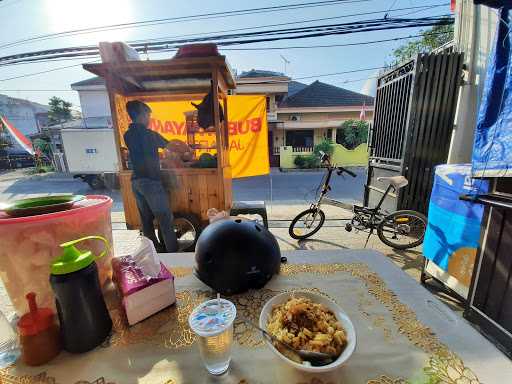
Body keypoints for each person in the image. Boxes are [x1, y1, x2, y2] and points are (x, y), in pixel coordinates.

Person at [124, 100, 178, 252]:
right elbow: (172, 146)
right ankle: (173, 256)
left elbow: (143, 153)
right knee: (165, 221)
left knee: (146, 222)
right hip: (150, 182)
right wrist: (185, 150)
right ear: (141, 115)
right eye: (148, 115)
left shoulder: (127, 135)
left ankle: (155, 254)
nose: (149, 119)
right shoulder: (150, 135)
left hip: (136, 183)